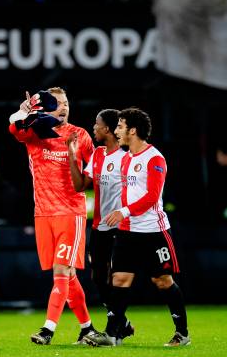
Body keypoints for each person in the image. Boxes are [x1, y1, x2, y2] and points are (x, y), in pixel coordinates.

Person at [83, 107, 190, 347]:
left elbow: (152, 196)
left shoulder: (155, 158)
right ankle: (112, 335)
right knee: (119, 279)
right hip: (127, 231)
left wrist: (123, 211)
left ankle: (182, 333)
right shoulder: (126, 158)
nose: (117, 131)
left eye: (120, 127)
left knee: (162, 281)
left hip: (154, 231)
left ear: (133, 130)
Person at [9, 87, 97, 345]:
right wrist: (22, 112)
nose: (63, 107)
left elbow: (93, 176)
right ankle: (87, 329)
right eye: (57, 103)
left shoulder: (80, 135)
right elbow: (14, 130)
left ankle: (48, 330)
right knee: (68, 276)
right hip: (43, 214)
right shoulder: (35, 132)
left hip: (71, 212)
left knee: (61, 271)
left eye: (66, 102)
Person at [67, 109, 134, 345]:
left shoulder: (127, 157)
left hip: (124, 226)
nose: (93, 128)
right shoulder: (97, 155)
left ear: (107, 129)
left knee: (118, 276)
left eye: (96, 124)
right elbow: (79, 186)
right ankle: (122, 322)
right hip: (99, 226)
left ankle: (112, 331)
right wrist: (71, 155)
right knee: (97, 277)